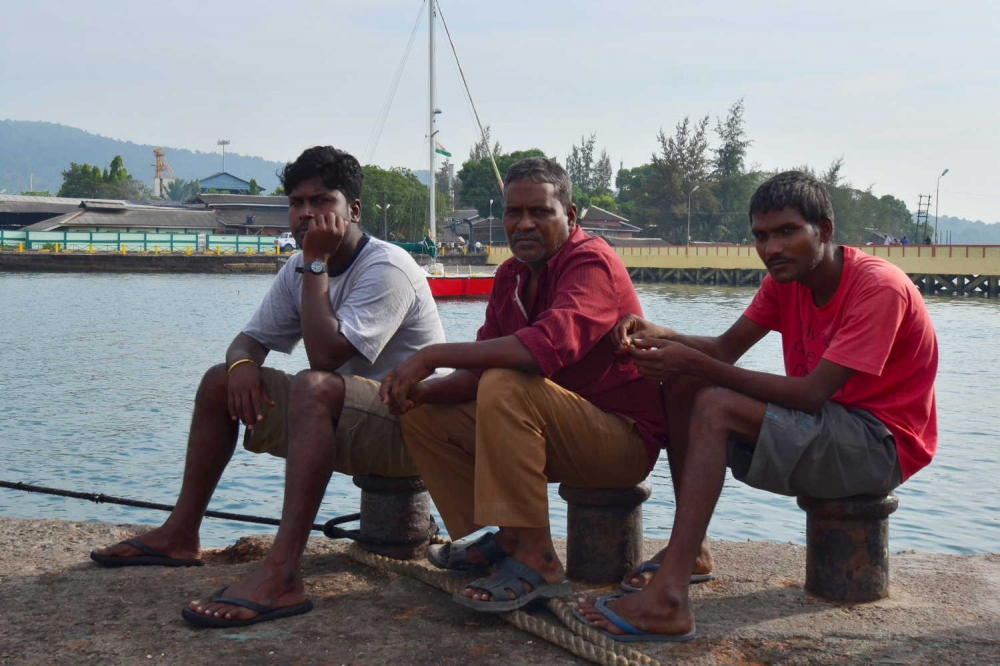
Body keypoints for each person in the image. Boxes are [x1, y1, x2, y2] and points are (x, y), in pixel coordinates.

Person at [575, 170, 938, 641]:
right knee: (685, 384)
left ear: (824, 231)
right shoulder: (786, 280)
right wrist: (661, 334)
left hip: (879, 444)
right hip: (828, 427)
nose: (772, 249)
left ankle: (668, 596)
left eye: (787, 232)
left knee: (715, 404)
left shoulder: (877, 287)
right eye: (761, 237)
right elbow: (725, 350)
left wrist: (699, 367)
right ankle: (693, 552)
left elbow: (810, 394)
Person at [91, 146, 445, 628]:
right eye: (296, 203)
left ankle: (282, 572)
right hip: (349, 417)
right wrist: (240, 366)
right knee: (219, 381)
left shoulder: (387, 267)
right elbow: (249, 341)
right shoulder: (299, 266)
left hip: (410, 430)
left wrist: (315, 264)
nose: (306, 214)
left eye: (321, 202)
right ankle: (181, 533)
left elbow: (325, 356)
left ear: (353, 211)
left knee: (312, 384)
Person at [380, 157, 668, 613]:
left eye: (540, 212)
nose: (524, 224)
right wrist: (422, 390)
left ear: (569, 217)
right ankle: (511, 538)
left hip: (620, 441)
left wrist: (431, 355)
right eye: (514, 213)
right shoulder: (510, 276)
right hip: (556, 432)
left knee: (508, 380)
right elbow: (478, 369)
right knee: (427, 414)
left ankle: (539, 561)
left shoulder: (591, 262)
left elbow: (538, 350)